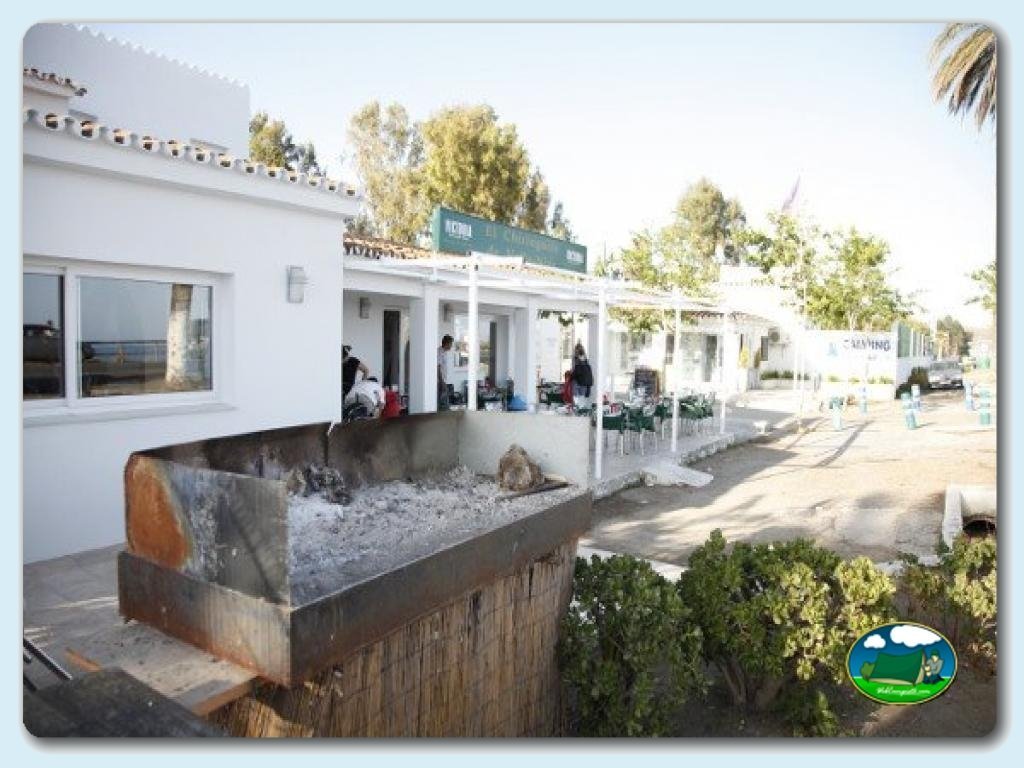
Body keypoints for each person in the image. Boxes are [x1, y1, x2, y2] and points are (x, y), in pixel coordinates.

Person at [437, 335, 454, 410]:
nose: (451, 346)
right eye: (451, 344)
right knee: (443, 405)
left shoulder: (444, 352)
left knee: (444, 403)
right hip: (440, 382)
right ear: (446, 343)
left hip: (443, 380)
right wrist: (441, 382)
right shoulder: (439, 352)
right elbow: (437, 367)